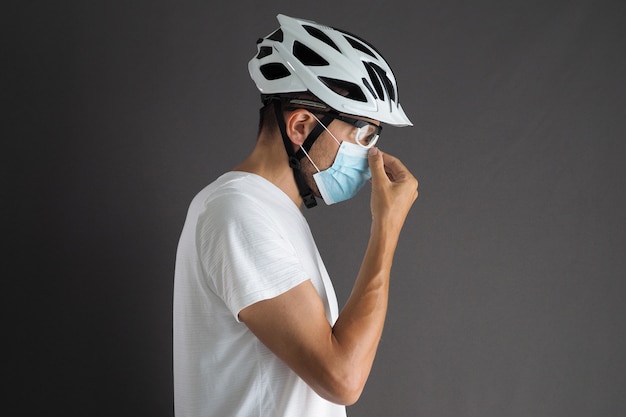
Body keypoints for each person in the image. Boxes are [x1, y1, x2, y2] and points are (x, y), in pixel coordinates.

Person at [173, 14, 418, 417]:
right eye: (363, 135)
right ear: (301, 126)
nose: (371, 153)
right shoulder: (237, 212)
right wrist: (386, 228)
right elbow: (342, 378)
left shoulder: (269, 211)